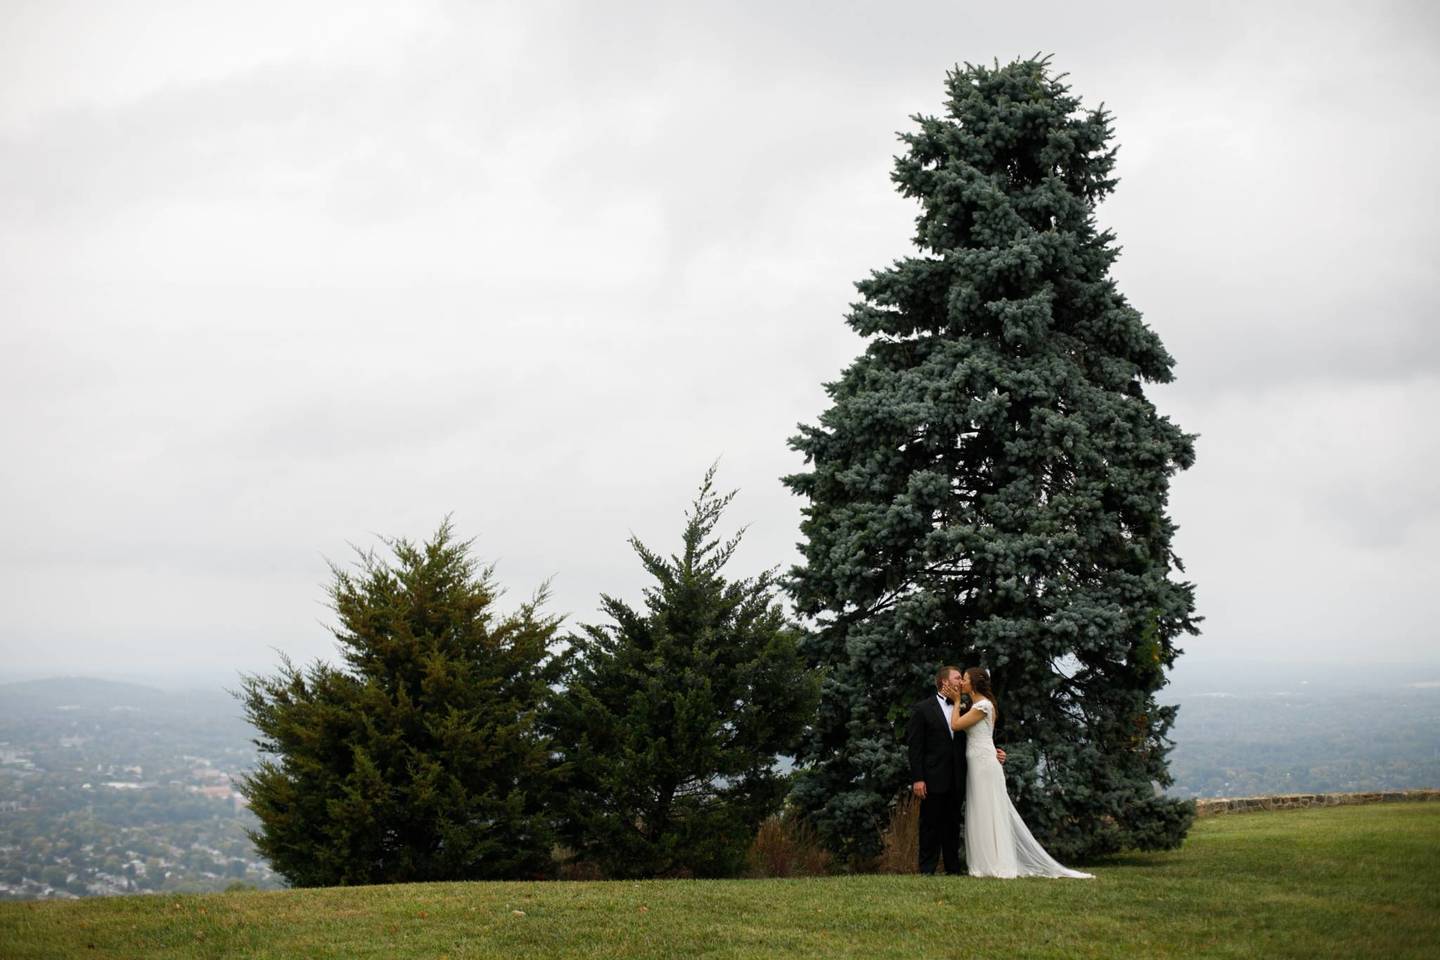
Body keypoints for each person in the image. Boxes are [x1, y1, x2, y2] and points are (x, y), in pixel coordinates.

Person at [949, 666, 1093, 879]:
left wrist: (955, 702)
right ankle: (982, 862)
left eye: (965, 679)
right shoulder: (976, 706)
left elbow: (955, 725)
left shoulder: (983, 706)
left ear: (974, 683)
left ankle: (996, 862)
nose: (962, 682)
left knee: (989, 809)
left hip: (984, 764)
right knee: (979, 809)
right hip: (977, 763)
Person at [906, 665, 1005, 874]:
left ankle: (953, 869)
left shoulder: (967, 707)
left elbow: (979, 735)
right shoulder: (923, 709)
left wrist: (994, 752)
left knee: (952, 824)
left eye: (962, 678)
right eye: (957, 678)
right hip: (933, 776)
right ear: (944, 682)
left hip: (959, 775)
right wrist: (918, 778)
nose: (961, 682)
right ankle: (927, 869)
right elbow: (915, 748)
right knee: (930, 823)